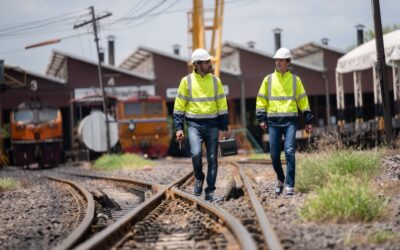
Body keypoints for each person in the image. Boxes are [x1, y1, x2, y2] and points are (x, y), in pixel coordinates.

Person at [173, 48, 229, 201]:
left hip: (212, 125)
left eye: (209, 61)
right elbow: (179, 106)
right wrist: (179, 128)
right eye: (206, 62)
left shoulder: (215, 81)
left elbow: (222, 104)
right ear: (197, 64)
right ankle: (199, 177)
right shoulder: (187, 81)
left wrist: (224, 127)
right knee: (196, 154)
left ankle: (210, 190)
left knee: (212, 158)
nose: (209, 64)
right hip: (194, 125)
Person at [256, 47, 313, 195]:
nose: (278, 62)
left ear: (288, 62)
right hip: (273, 122)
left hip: (290, 122)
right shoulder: (268, 80)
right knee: (274, 155)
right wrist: (261, 118)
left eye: (281, 60)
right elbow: (261, 100)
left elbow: (303, 101)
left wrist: (308, 120)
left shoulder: (295, 81)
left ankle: (290, 184)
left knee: (289, 152)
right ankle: (280, 178)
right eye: (276, 60)